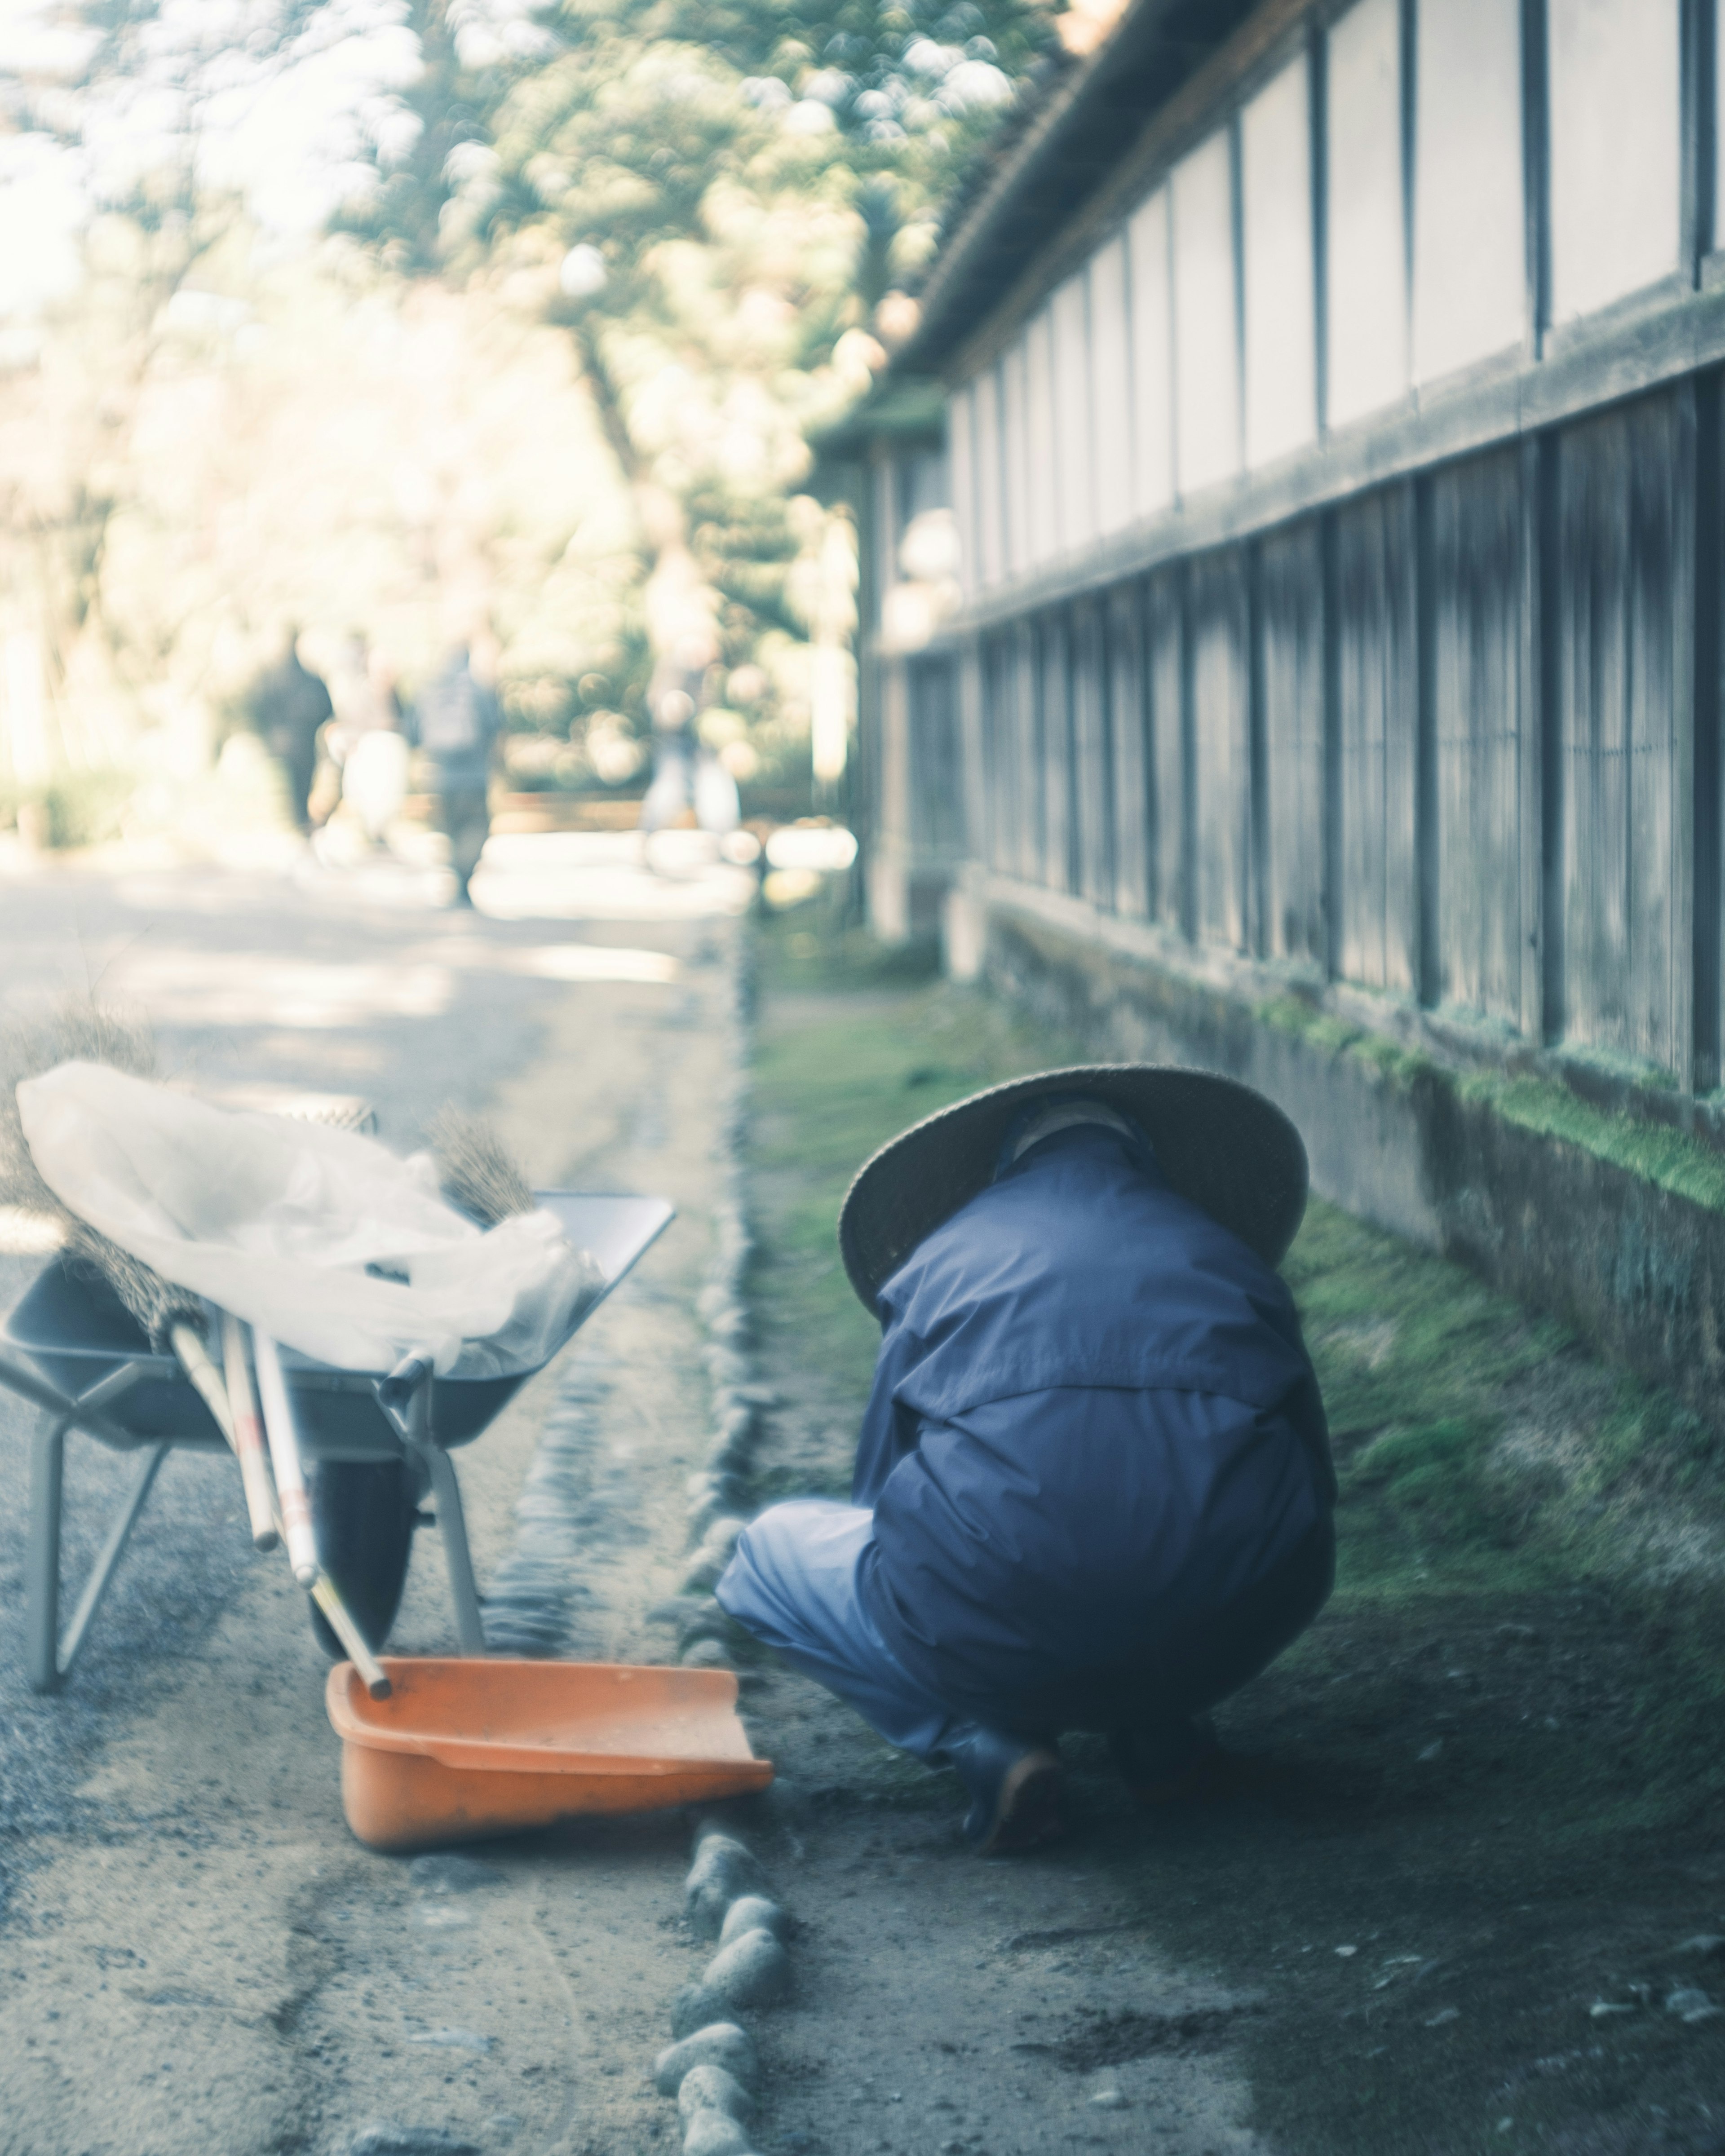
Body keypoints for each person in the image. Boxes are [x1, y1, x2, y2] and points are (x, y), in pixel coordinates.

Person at [716, 1066, 1336, 1856]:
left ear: (1007, 1167)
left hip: (996, 1622)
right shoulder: (1235, 1263)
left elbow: (879, 1500)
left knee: (763, 1556)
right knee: (1169, 1519)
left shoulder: (939, 1263)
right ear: (1145, 1162)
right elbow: (1314, 1481)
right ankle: (1163, 1740)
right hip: (1234, 1625)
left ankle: (986, 1743)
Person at [409, 632, 502, 905]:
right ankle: (464, 879)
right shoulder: (476, 689)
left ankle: (457, 879)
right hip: (474, 774)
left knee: (451, 830)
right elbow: (494, 726)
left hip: (440, 774)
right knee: (475, 828)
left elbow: (413, 731)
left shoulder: (429, 689)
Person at [247, 627, 332, 833]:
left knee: (299, 787)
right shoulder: (281, 678)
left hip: (295, 742)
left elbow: (325, 708)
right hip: (294, 743)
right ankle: (297, 823)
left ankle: (300, 823)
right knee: (290, 788)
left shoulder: (281, 678)